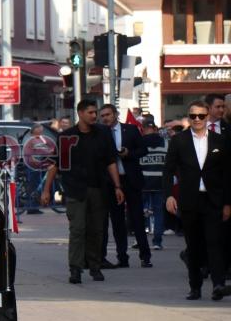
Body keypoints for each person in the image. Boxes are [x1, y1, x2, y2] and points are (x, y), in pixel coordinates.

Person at [40, 99, 124, 284]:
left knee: (97, 230)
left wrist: (117, 186)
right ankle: (75, 269)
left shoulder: (103, 135)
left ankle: (95, 266)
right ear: (80, 113)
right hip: (75, 189)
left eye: (96, 112)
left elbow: (111, 161)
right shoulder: (67, 137)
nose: (94, 116)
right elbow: (55, 165)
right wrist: (46, 190)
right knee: (78, 229)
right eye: (91, 112)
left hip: (98, 188)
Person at [164, 100, 231, 301]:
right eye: (193, 116)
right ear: (189, 117)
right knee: (194, 246)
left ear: (207, 115)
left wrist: (227, 203)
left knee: (215, 243)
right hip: (189, 201)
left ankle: (218, 284)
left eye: (201, 116)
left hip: (213, 200)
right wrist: (168, 195)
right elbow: (168, 170)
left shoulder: (220, 141)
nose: (197, 120)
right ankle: (195, 286)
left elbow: (227, 174)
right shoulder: (179, 141)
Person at [98, 104, 152, 269]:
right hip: (111, 183)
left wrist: (129, 153)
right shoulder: (100, 133)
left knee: (137, 219)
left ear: (115, 114)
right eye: (102, 116)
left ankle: (145, 256)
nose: (105, 118)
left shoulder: (131, 130)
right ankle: (122, 257)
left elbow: (143, 150)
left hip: (131, 179)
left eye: (108, 114)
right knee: (117, 221)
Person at [140, 116, 167, 250]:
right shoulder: (165, 142)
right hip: (159, 182)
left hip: (143, 182)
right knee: (158, 212)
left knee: (140, 211)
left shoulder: (139, 142)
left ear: (144, 129)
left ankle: (141, 239)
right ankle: (157, 241)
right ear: (155, 128)